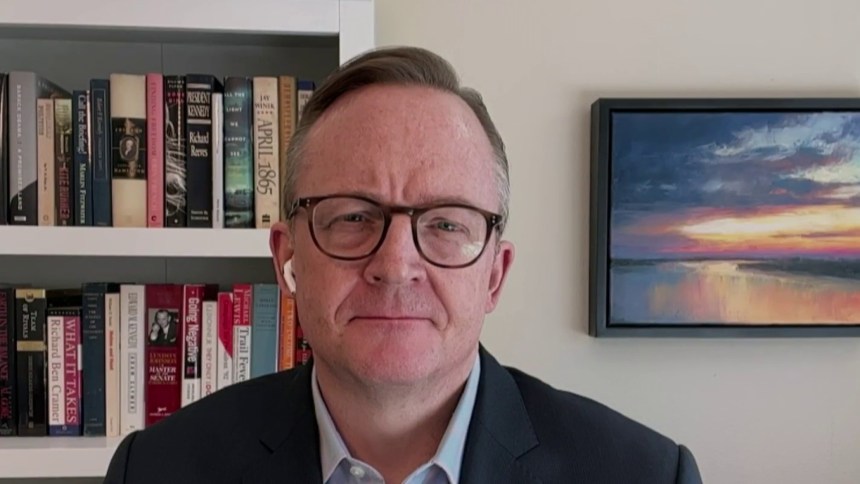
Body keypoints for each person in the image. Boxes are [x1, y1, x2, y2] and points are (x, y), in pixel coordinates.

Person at [104, 46, 703, 484]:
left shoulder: (645, 474)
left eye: (445, 224)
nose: (395, 265)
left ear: (494, 274)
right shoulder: (157, 470)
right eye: (352, 216)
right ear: (288, 258)